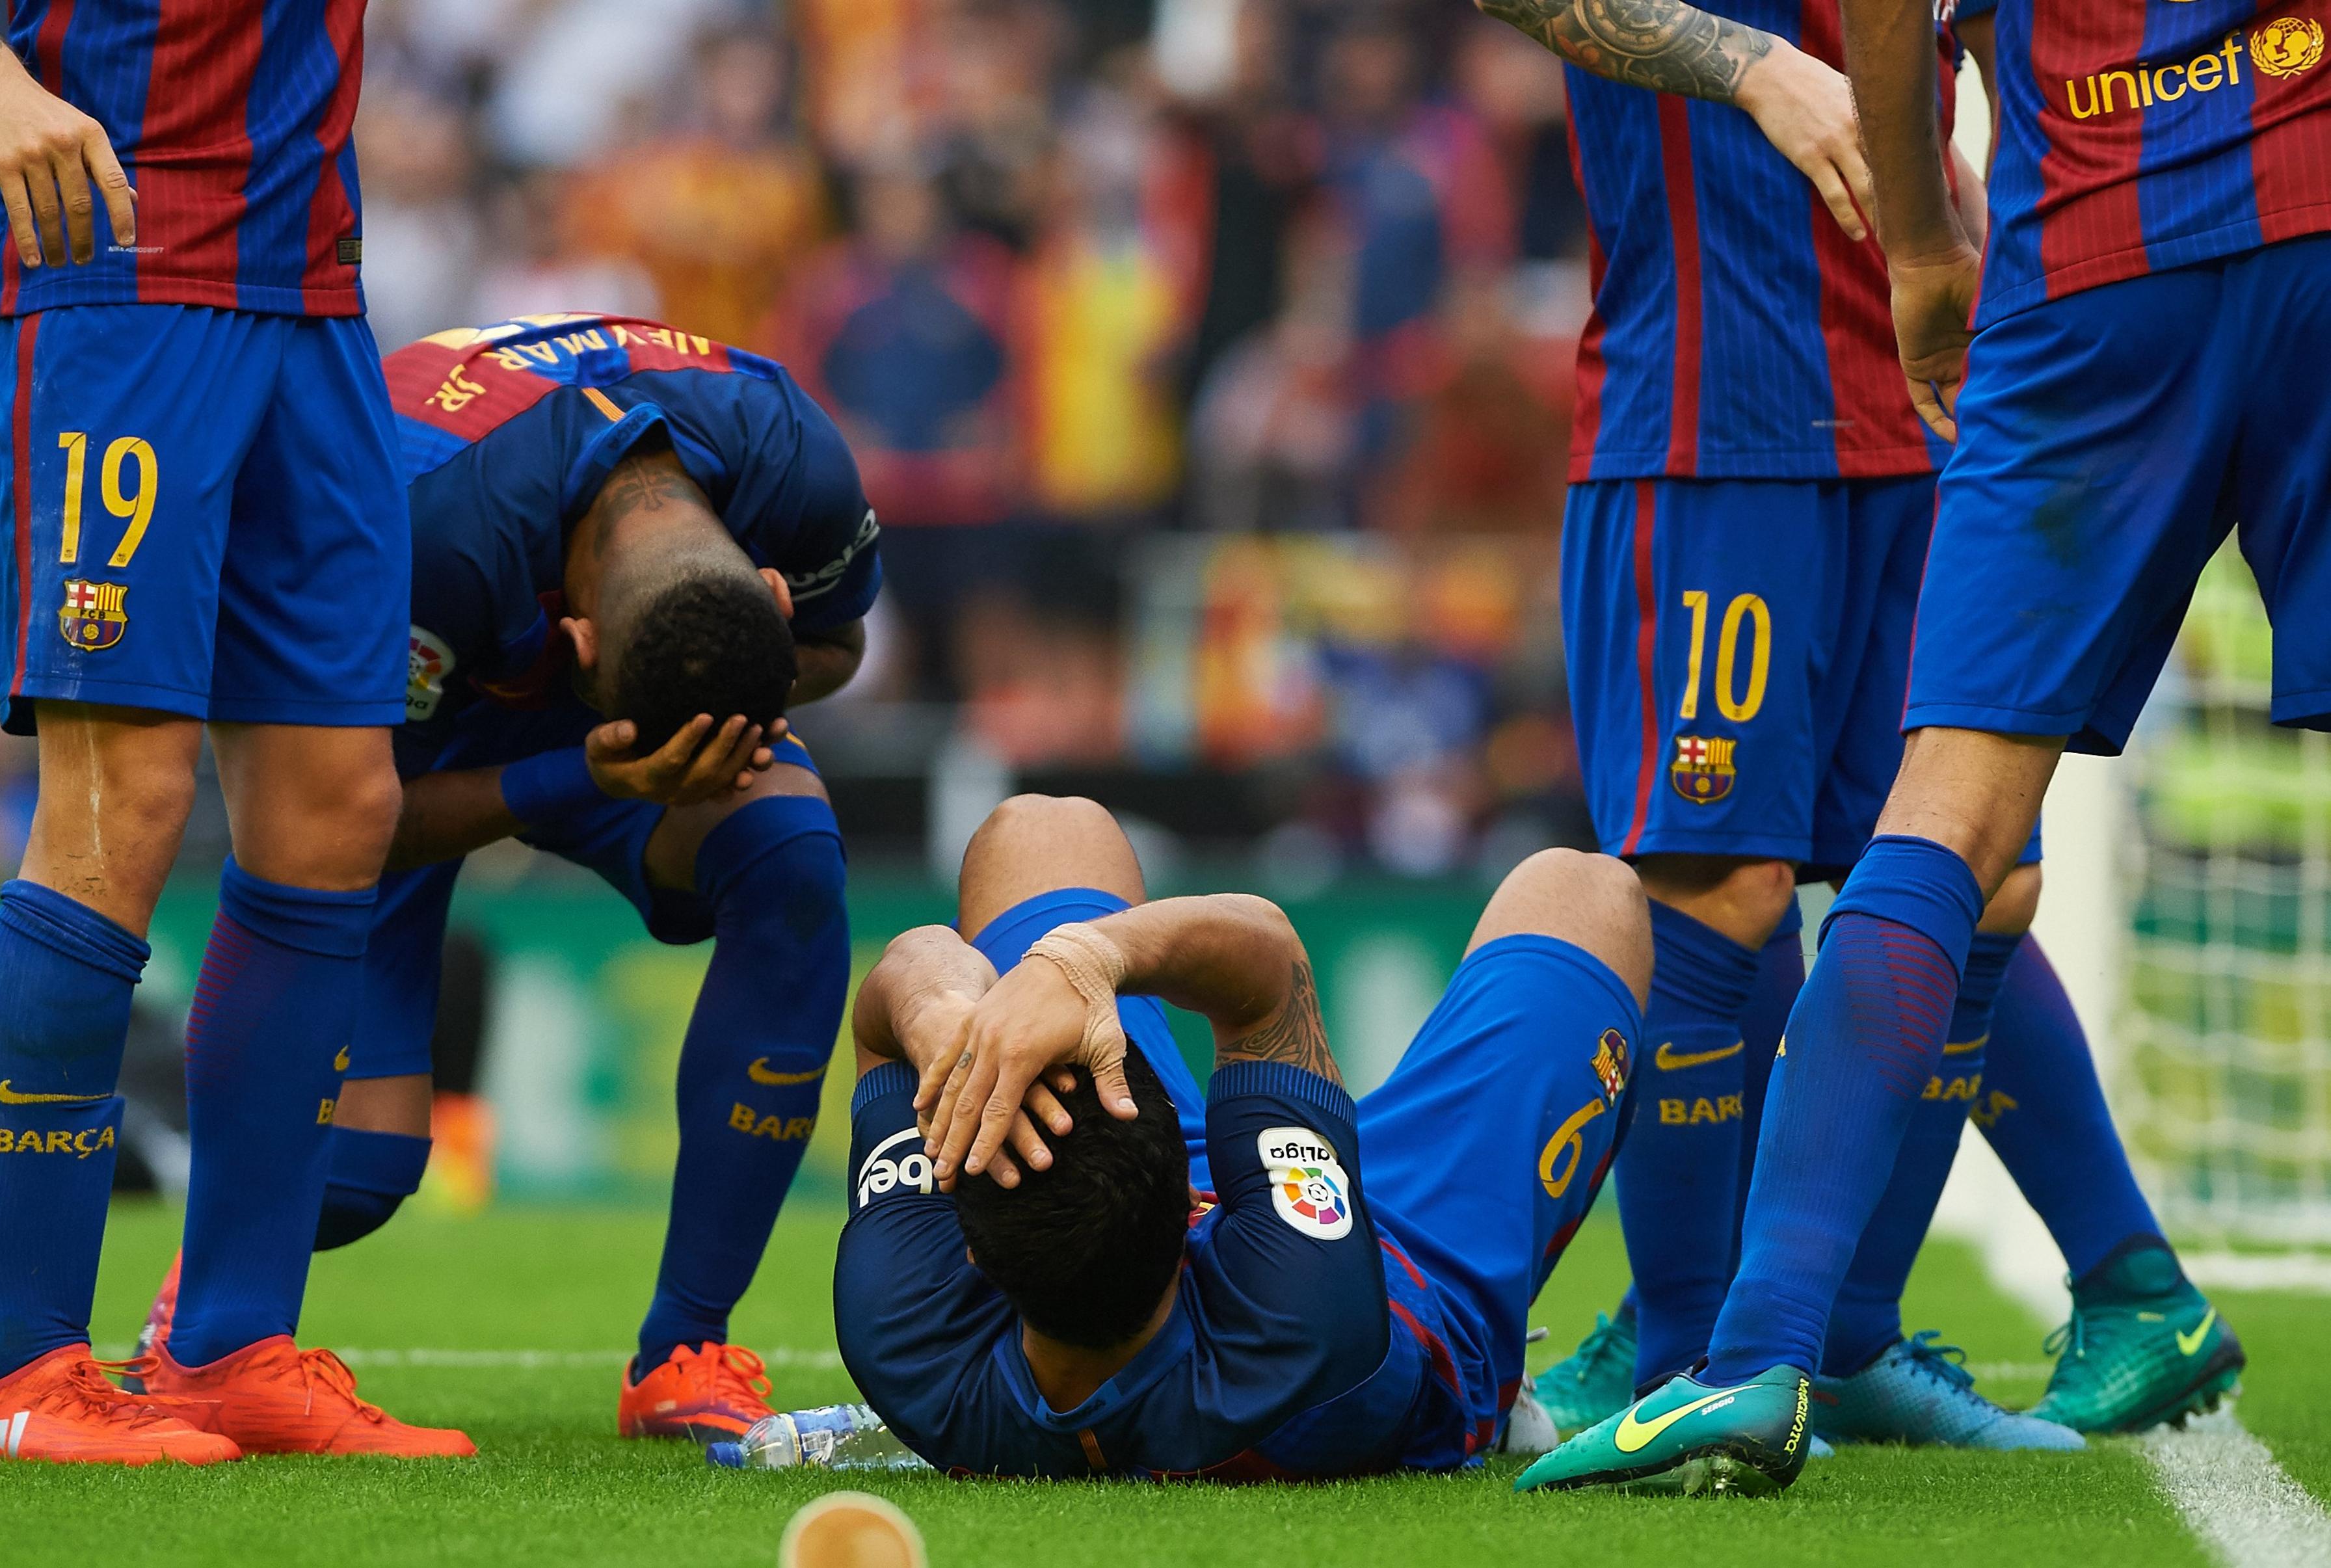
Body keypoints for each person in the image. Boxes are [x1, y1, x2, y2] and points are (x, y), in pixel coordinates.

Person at [1518, 0, 2308, 1493]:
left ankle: (1816, 1337)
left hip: (1950, 371)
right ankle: (1715, 1330)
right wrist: (1748, 64)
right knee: (1737, 871)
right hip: (1725, 401)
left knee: (1967, 869)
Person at [0, 0, 456, 1464]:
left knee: (337, 799)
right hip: (111, 268)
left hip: (311, 281)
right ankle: (17, 1370)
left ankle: (230, 1341)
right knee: (124, 790)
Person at [129, 312, 880, 1444]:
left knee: (788, 853)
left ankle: (685, 1351)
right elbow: (313, 822)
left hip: (597, 706)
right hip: (390, 726)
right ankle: (212, 1303)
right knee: (363, 1174)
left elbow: (840, 645)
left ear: (767, 587)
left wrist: (736, 703)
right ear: (575, 648)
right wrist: (575, 771)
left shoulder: (794, 458)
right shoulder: (403, 519)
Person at [838, 793, 1649, 1477]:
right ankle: (1671, 1356)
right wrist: (1088, 959)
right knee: (1588, 889)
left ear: (971, 1251)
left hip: (1203, 1247)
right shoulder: (1301, 1322)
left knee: (1040, 829)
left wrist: (944, 1016)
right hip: (1408, 1290)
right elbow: (1266, 974)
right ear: (1195, 1210)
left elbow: (885, 1014)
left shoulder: (910, 1338)